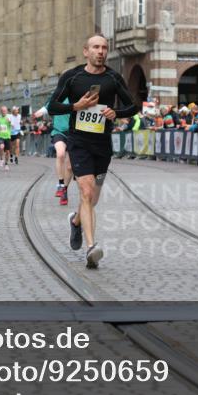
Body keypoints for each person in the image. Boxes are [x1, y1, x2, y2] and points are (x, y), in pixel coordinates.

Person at [47, 34, 138, 269]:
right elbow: (53, 106)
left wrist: (115, 113)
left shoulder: (113, 78)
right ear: (85, 51)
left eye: (104, 48)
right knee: (85, 192)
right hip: (79, 143)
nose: (101, 51)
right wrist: (74, 106)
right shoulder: (72, 76)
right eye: (96, 47)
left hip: (102, 145)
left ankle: (76, 222)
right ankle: (91, 248)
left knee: (93, 198)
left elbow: (133, 106)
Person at [38, 97, 73, 206]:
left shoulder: (77, 93)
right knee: (60, 153)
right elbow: (47, 106)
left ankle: (65, 191)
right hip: (59, 131)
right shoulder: (58, 96)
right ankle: (61, 184)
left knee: (70, 167)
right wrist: (39, 112)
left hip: (73, 133)